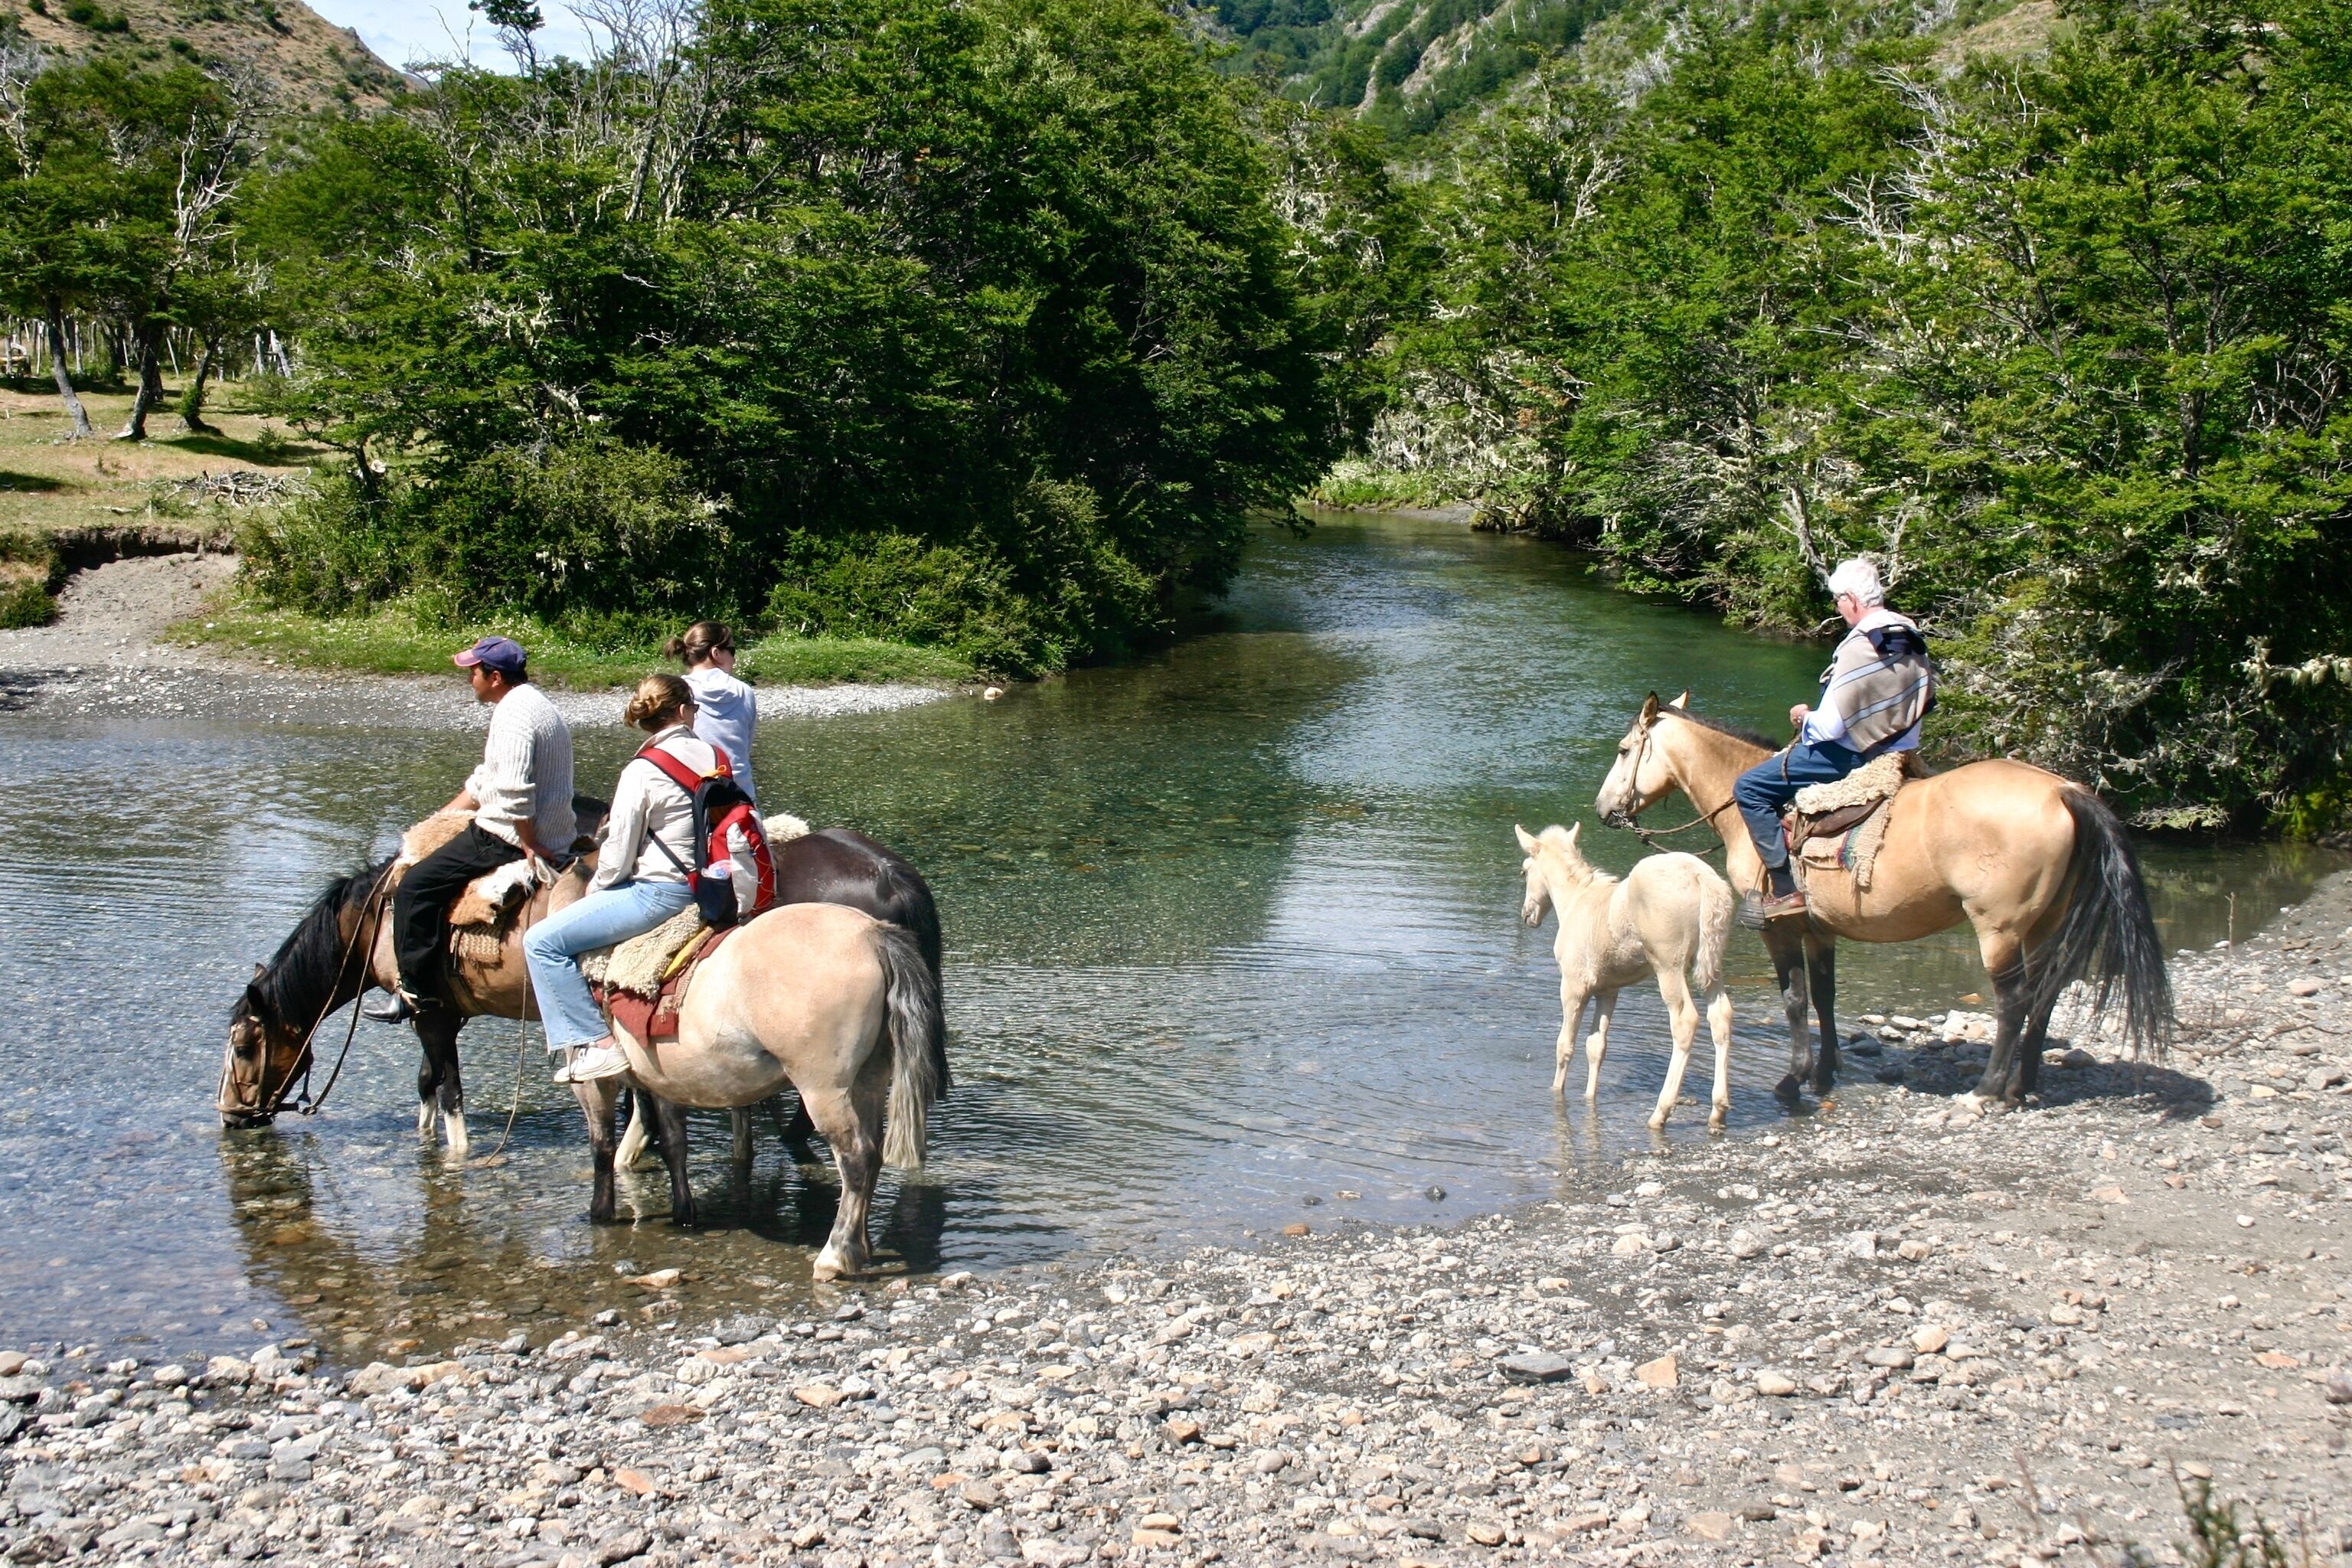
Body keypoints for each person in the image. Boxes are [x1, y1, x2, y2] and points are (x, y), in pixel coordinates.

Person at [524, 675, 765, 1084]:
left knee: (541, 943)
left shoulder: (641, 771)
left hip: (660, 894)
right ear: (686, 710)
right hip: (713, 885)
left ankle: (596, 1046)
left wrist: (596, 891)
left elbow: (618, 855)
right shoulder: (715, 756)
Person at [370, 636, 577, 1023]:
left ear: (495, 676)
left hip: (507, 837)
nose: (470, 680)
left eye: (474, 673)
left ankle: (416, 992)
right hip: (535, 828)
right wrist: (439, 821)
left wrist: (529, 844)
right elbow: (487, 781)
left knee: (415, 885)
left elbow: (515, 794)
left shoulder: (514, 716)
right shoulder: (533, 704)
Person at [1733, 557, 1934, 922]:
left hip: (1850, 756)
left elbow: (1830, 728)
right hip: (1902, 749)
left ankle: (1785, 891)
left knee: (1750, 787)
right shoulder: (1909, 635)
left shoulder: (1860, 646)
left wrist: (1803, 717)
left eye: (1839, 601)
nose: (1839, 609)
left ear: (1852, 600)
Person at [668, 620, 757, 803]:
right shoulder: (745, 691)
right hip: (742, 796)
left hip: (696, 797)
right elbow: (744, 748)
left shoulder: (678, 692)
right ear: (716, 653)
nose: (735, 658)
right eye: (732, 651)